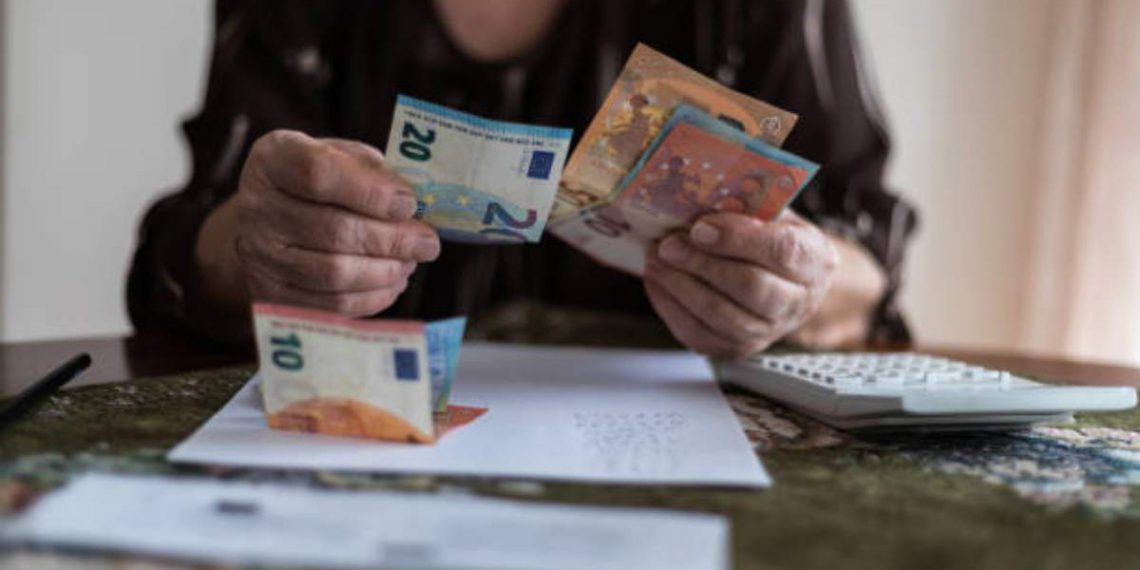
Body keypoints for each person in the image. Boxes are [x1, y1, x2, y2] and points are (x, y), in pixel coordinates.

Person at [127, 0, 918, 358]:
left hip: (673, 459)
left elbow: (867, 247)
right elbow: (189, 248)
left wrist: (802, 287)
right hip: (359, 455)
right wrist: (251, 246)